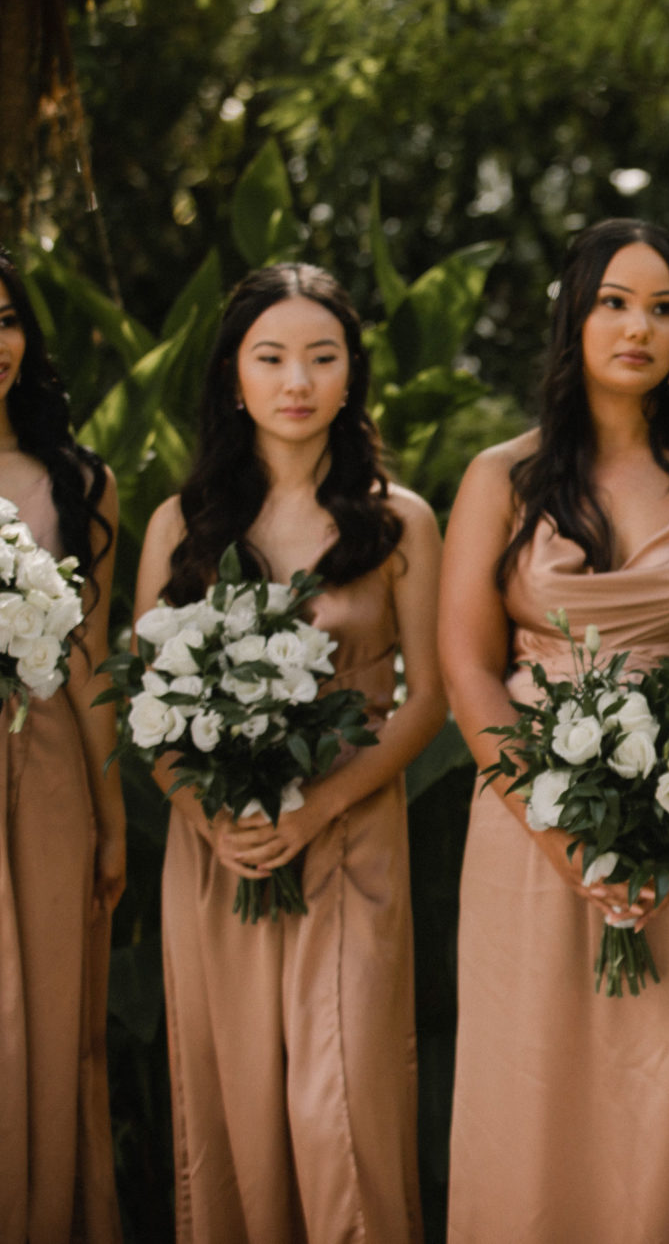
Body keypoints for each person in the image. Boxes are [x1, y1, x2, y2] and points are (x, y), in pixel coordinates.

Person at [441, 219, 669, 1243]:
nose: (639, 326)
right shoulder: (502, 479)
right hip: (530, 832)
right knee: (536, 1091)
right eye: (614, 302)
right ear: (574, 318)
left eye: (663, 307)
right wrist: (566, 835)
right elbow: (467, 665)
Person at [135, 262, 444, 1243]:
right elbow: (144, 705)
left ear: (352, 375)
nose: (297, 379)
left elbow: (426, 699)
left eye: (322, 356)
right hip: (220, 851)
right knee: (236, 1112)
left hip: (349, 843)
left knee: (339, 1106)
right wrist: (210, 814)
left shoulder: (401, 521)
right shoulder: (180, 527)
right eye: (271, 357)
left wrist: (311, 810)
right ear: (234, 375)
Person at [0, 252, 121, 1243]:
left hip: (41, 772)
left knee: (42, 1017)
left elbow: (89, 662)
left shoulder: (79, 482)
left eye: (4, 319)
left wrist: (113, 818)